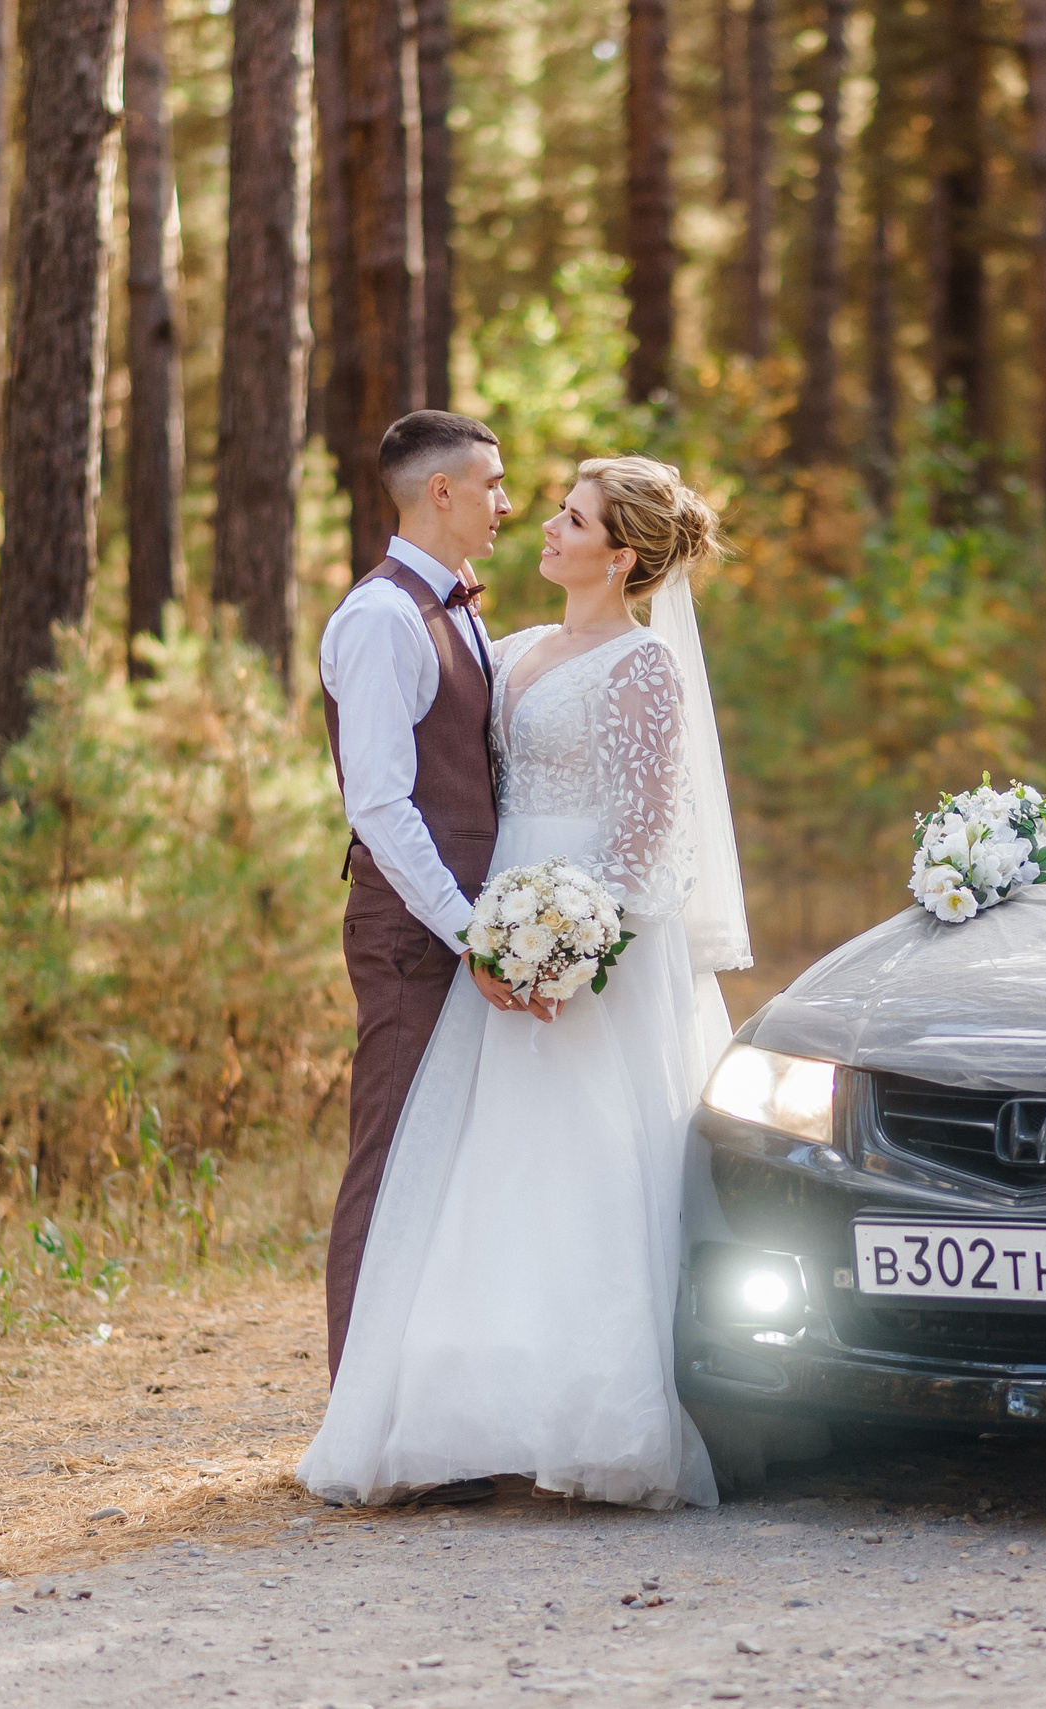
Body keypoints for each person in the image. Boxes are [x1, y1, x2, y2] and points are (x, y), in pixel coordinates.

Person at [298, 456, 750, 1512]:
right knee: (485, 1176)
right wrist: (505, 941)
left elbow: (647, 838)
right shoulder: (516, 649)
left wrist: (580, 954)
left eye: (572, 515)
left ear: (620, 554)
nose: (545, 525)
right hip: (503, 931)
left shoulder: (643, 669)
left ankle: (595, 1411)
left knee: (588, 1176)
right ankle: (476, 1412)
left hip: (585, 954)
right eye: (552, 507)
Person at [315, 410, 524, 1423]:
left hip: (457, 927)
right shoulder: (381, 619)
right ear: (437, 492)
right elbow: (382, 805)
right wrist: (469, 929)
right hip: (412, 936)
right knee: (391, 1156)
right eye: (490, 483)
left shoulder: (461, 609)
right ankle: (365, 1420)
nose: (505, 503)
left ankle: (433, 1411)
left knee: (449, 1160)